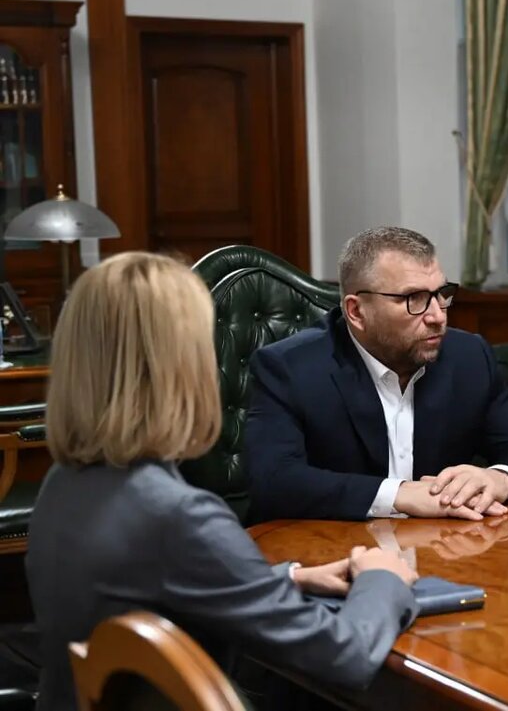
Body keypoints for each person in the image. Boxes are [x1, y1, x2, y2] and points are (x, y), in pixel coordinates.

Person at [25, 252, 420, 711]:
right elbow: (345, 657)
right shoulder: (179, 516)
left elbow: (150, 582)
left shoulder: (62, 484)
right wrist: (382, 580)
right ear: (182, 366)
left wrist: (288, 579)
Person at [244, 227, 508, 523]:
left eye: (442, 294)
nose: (437, 316)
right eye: (414, 299)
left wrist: (499, 479)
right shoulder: (291, 368)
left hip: (444, 550)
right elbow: (274, 481)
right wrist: (400, 495)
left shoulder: (468, 357)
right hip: (334, 551)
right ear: (356, 311)